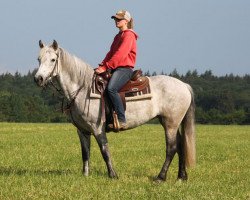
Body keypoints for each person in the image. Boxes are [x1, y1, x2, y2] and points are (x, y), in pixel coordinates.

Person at [95, 10, 138, 129]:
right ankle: (108, 117)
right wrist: (102, 65)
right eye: (115, 19)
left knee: (111, 88)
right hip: (115, 68)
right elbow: (111, 53)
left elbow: (121, 54)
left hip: (124, 69)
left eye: (119, 19)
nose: (116, 21)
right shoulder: (118, 36)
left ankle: (121, 119)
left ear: (127, 21)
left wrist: (106, 67)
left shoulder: (129, 35)